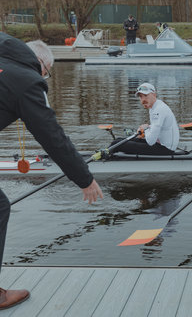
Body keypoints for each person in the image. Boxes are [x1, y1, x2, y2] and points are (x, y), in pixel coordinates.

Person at [0, 34, 103, 310]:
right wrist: (85, 178)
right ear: (42, 66)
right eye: (48, 73)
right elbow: (52, 136)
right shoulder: (29, 81)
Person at [111, 83, 179, 155]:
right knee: (118, 140)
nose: (143, 100)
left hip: (166, 149)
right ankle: (107, 154)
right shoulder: (154, 107)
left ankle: (105, 158)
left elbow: (151, 141)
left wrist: (145, 130)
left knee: (116, 144)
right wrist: (147, 129)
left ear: (154, 95)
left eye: (146, 96)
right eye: (140, 97)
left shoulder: (159, 109)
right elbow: (156, 130)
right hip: (160, 144)